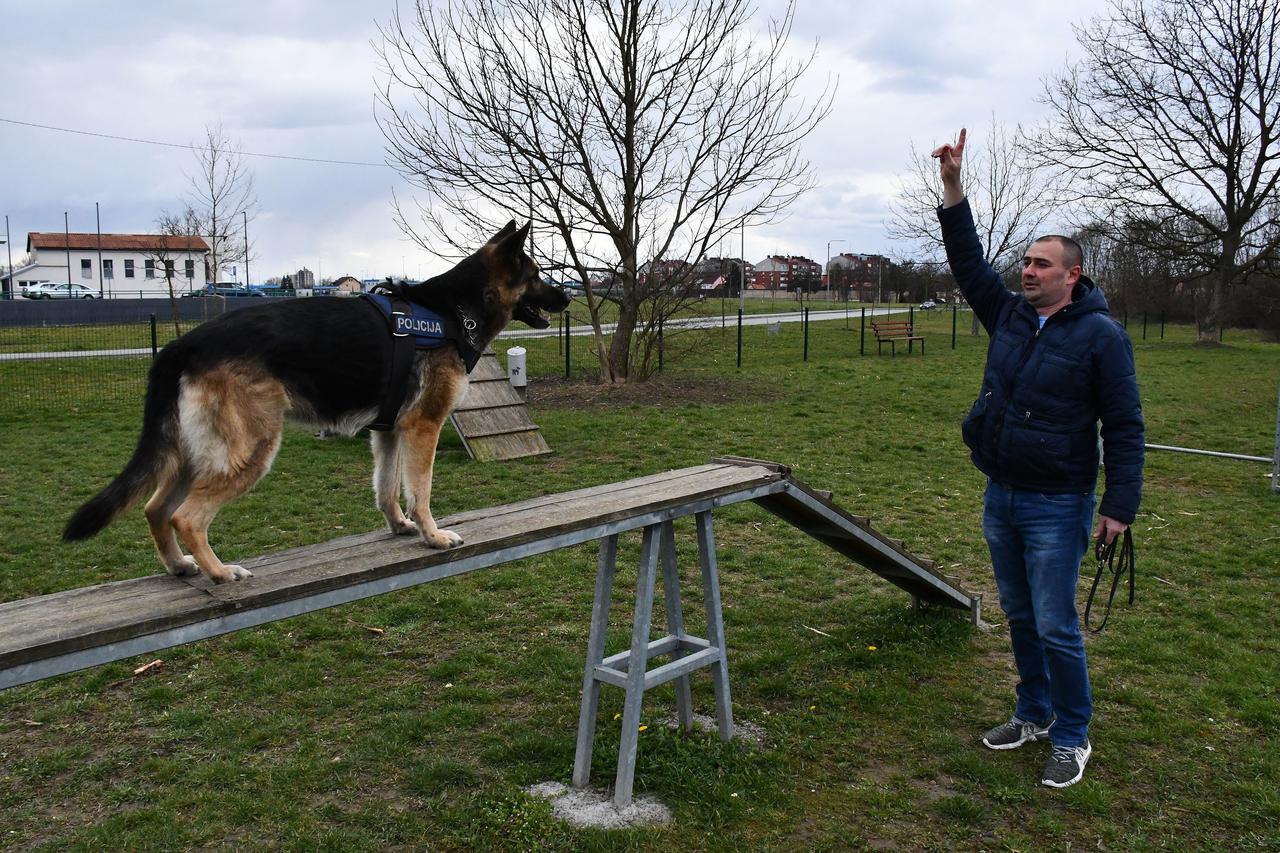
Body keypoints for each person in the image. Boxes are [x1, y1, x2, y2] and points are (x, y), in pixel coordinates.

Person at [932, 128, 1145, 788]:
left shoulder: (1101, 337)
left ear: (1072, 274)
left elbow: (1126, 424)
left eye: (1041, 264)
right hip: (1003, 491)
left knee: (1055, 621)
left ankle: (1072, 733)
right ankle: (1033, 712)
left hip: (1060, 500)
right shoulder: (1011, 315)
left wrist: (1119, 505)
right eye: (1025, 261)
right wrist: (953, 188)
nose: (1027, 270)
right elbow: (968, 262)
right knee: (1020, 614)